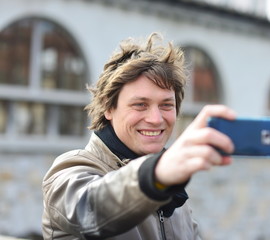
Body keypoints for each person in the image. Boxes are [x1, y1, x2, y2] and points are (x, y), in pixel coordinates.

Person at [42, 32, 236, 239]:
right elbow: (90, 211)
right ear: (109, 108)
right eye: (140, 105)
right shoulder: (69, 172)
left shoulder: (178, 200)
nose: (155, 118)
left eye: (166, 105)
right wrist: (157, 175)